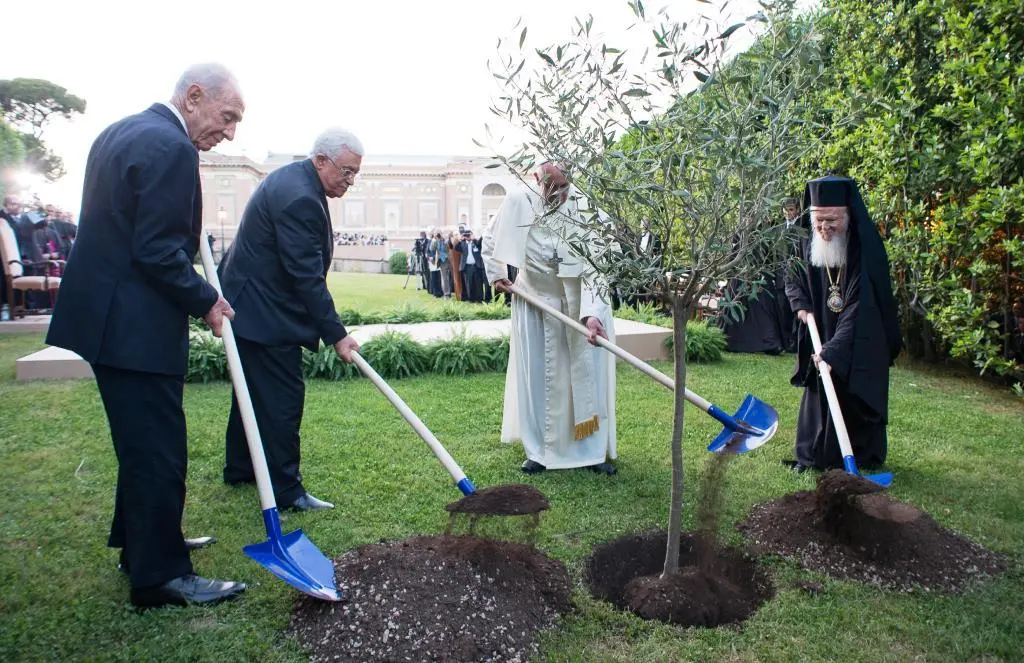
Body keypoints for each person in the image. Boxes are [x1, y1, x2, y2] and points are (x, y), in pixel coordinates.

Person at [44, 63, 247, 608]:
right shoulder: (172, 148)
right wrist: (207, 298)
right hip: (135, 328)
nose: (229, 133)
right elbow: (156, 251)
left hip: (109, 322)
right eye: (227, 117)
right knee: (158, 449)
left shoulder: (122, 131)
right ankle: (160, 576)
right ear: (194, 96)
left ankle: (141, 544)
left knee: (142, 445)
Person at [217, 127, 362, 511]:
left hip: (248, 303)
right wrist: (337, 335)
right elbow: (305, 276)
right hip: (264, 311)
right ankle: (286, 491)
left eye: (355, 174)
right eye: (346, 171)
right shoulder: (299, 196)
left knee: (250, 393)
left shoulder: (296, 180)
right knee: (282, 399)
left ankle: (241, 467)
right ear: (320, 161)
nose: (350, 181)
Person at [483, 162, 617, 475]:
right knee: (539, 381)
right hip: (535, 305)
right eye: (549, 186)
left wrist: (593, 314)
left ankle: (591, 452)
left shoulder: (588, 208)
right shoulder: (518, 201)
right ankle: (539, 451)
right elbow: (491, 241)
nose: (556, 193)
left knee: (587, 381)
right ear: (536, 178)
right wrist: (498, 274)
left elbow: (600, 267)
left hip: (581, 305)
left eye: (562, 187)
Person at [784, 175, 901, 473]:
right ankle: (813, 454)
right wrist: (801, 307)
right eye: (819, 221)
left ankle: (859, 455)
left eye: (832, 221)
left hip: (859, 333)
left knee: (853, 388)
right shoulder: (806, 240)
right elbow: (793, 278)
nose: (824, 229)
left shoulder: (865, 248)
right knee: (819, 384)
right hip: (820, 323)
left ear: (848, 214)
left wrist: (834, 351)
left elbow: (862, 307)